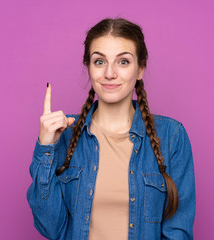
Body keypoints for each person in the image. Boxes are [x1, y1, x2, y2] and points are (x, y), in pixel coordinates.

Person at [27, 18, 196, 240]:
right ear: (88, 67)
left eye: (123, 62)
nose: (109, 73)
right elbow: (50, 227)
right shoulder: (64, 134)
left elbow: (178, 232)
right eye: (99, 62)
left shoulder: (171, 136)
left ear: (140, 69)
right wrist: (46, 148)